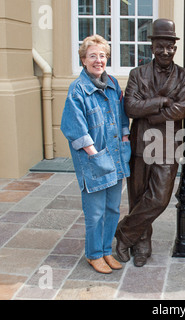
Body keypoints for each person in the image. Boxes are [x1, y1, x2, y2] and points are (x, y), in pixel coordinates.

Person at [115, 19, 185, 267]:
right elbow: (130, 106)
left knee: (159, 198)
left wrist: (147, 109)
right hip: (139, 146)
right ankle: (141, 242)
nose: (165, 51)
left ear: (175, 48)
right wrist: (161, 101)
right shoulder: (137, 74)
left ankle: (124, 233)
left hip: (169, 147)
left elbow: (181, 111)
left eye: (170, 46)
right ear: (152, 46)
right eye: (160, 46)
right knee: (138, 198)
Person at [61, 35, 131, 274]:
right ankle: (93, 254)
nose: (98, 60)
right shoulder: (77, 89)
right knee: (95, 212)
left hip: (115, 156)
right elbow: (73, 127)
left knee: (113, 209)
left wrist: (124, 139)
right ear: (83, 60)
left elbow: (122, 118)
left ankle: (106, 250)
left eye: (102, 55)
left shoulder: (112, 84)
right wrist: (94, 153)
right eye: (92, 56)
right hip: (94, 160)